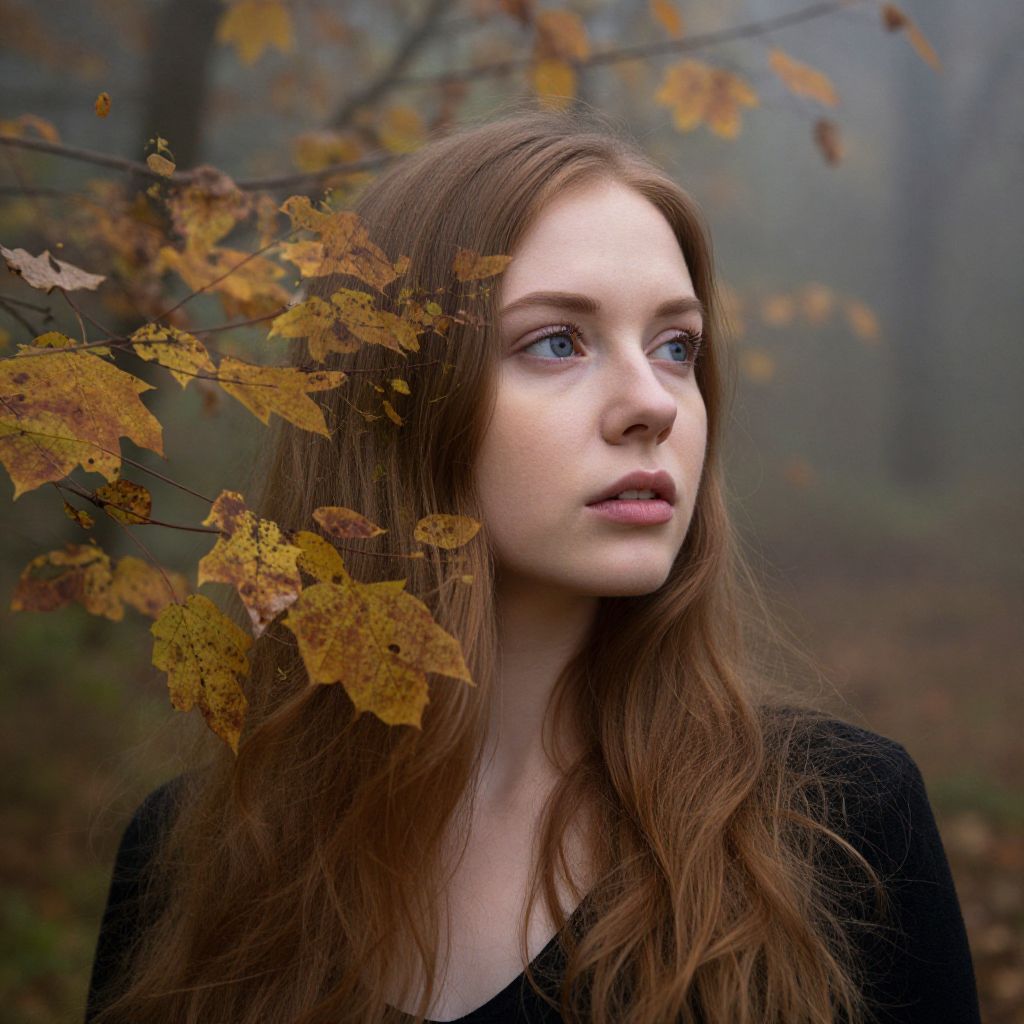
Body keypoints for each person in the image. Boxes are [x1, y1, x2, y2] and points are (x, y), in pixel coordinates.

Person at [85, 104, 981, 1024]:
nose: (654, 404)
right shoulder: (197, 861)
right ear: (402, 402)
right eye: (557, 341)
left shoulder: (835, 827)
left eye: (677, 348)